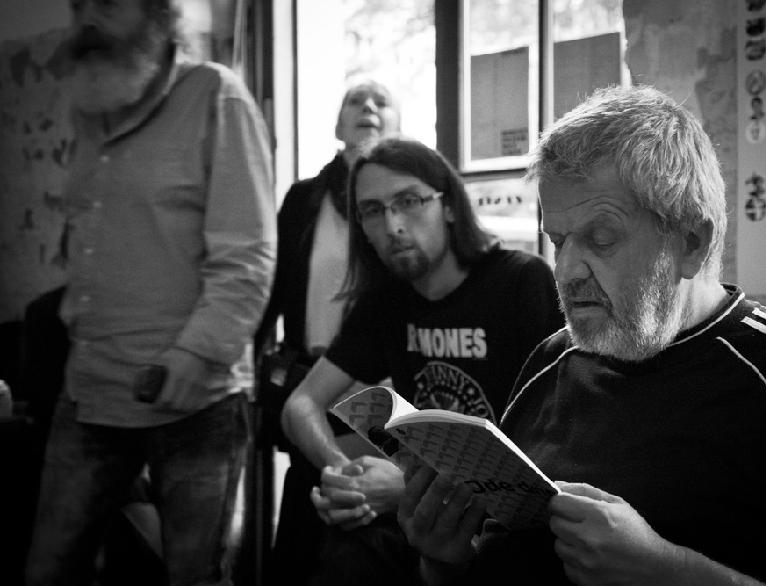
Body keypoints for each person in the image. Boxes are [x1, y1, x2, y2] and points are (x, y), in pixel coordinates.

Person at [398, 85, 766, 586]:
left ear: (691, 242)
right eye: (558, 241)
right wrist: (444, 562)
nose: (566, 271)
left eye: (601, 239)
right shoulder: (549, 363)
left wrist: (666, 571)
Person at [25, 0, 276, 584]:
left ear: (160, 17)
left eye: (109, 5)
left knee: (196, 576)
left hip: (196, 400)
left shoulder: (216, 95)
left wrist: (196, 354)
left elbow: (248, 254)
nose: (89, 20)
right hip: (90, 392)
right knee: (48, 571)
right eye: (81, 7)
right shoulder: (91, 106)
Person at [279, 137, 564, 585]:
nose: (392, 225)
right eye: (372, 210)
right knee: (329, 518)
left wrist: (405, 487)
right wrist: (344, 473)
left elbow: (557, 443)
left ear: (447, 205)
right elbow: (300, 405)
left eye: (408, 201)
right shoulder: (386, 302)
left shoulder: (519, 281)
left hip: (512, 517)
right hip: (426, 512)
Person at [258, 78, 401, 585]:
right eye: (355, 101)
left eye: (381, 101)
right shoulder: (303, 199)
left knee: (369, 530)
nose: (368, 107)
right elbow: (273, 288)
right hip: (313, 381)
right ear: (338, 126)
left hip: (386, 391)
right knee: (304, 529)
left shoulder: (405, 207)